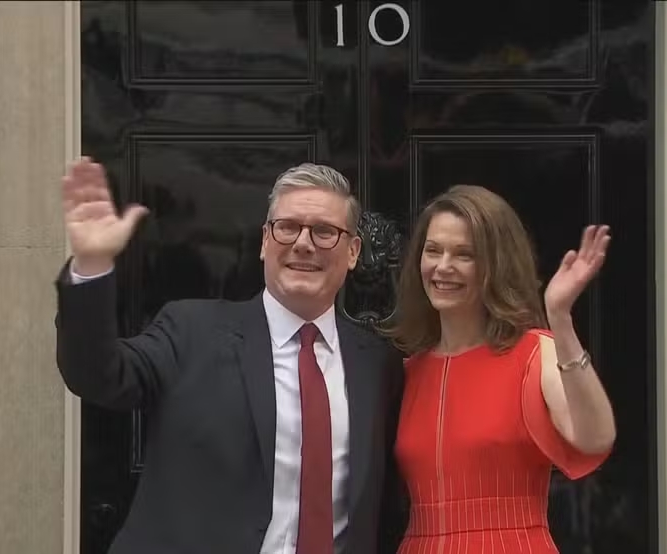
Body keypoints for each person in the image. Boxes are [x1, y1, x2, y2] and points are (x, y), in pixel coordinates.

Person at [54, 158, 406, 554]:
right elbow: (97, 376)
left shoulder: (377, 364)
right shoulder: (191, 332)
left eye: (325, 232)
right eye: (287, 227)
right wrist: (92, 265)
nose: (303, 243)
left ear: (354, 251)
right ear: (265, 241)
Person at [385, 185, 616, 553]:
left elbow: (594, 437)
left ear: (496, 264)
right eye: (433, 251)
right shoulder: (407, 372)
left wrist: (559, 318)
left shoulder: (533, 354)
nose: (443, 266)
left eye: (465, 254)